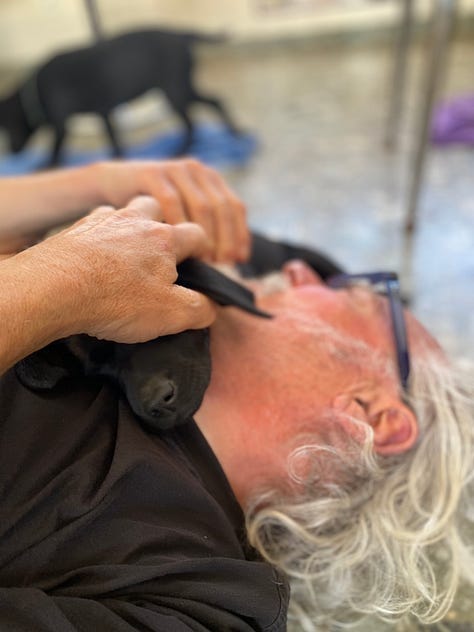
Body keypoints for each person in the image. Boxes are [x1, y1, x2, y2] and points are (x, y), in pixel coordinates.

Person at [0, 159, 473, 631]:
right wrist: (92, 184)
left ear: (373, 415)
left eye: (355, 297)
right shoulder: (148, 314)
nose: (299, 271)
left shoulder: (193, 607)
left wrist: (59, 281)